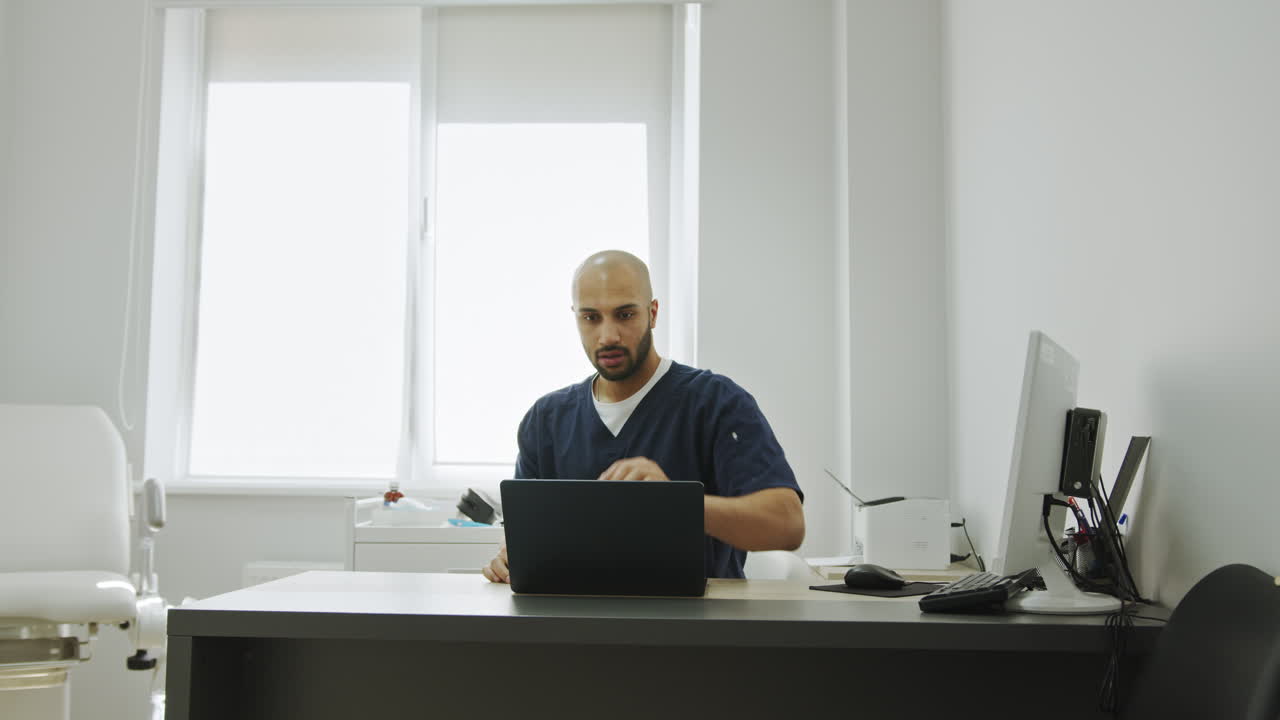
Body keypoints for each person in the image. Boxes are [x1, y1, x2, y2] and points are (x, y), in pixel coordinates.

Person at [483, 250, 804, 582]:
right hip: (577, 624)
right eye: (591, 317)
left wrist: (674, 505)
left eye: (624, 314)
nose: (608, 336)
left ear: (652, 313)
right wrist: (509, 558)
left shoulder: (715, 403)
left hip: (697, 626)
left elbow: (787, 526)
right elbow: (525, 536)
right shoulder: (546, 421)